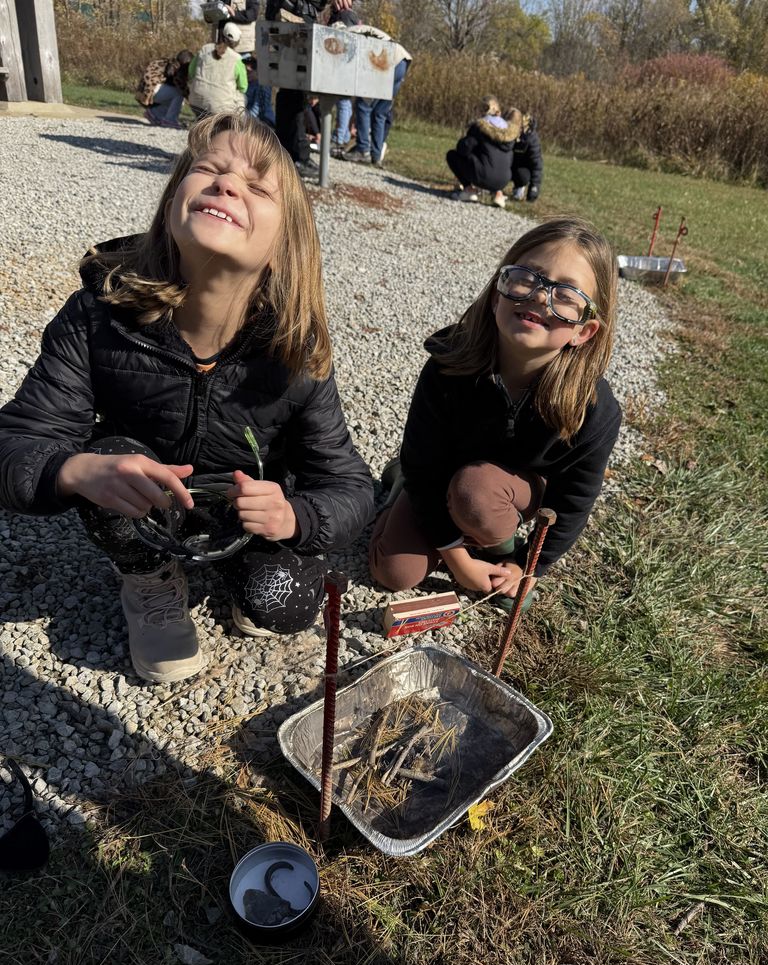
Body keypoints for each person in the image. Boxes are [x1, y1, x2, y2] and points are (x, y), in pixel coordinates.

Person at [0, 111, 374, 686]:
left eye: (256, 187)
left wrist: (292, 515)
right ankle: (148, 575)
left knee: (286, 605)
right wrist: (76, 470)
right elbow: (16, 441)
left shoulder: (295, 352)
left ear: (284, 246)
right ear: (173, 200)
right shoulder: (99, 315)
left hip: (240, 508)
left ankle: (235, 563)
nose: (226, 185)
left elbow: (348, 484)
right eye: (208, 169)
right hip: (142, 500)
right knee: (114, 464)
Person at [369, 217, 622, 609]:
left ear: (583, 332)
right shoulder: (448, 363)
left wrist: (525, 566)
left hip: (507, 492)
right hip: (435, 476)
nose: (541, 297)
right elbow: (425, 465)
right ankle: (399, 483)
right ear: (497, 293)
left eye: (566, 294)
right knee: (394, 573)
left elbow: (573, 501)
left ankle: (492, 542)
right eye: (528, 278)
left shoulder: (595, 410)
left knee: (478, 492)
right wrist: (458, 560)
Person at [265, 0, 353, 180]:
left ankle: (287, 153)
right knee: (295, 89)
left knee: (294, 89)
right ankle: (296, 156)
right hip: (290, 14)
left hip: (297, 16)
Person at [340, 21, 412, 167]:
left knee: (363, 105)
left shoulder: (347, 35)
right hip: (402, 60)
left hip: (389, 59)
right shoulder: (358, 29)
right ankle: (376, 156)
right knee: (380, 112)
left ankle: (362, 150)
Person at [444, 96, 519, 206]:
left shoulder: (480, 127)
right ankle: (498, 194)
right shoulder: (509, 131)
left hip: (482, 175)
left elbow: (463, 149)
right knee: (496, 160)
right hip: (503, 180)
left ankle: (469, 190)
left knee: (452, 155)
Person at [188, 23, 247, 117]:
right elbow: (243, 87)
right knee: (241, 97)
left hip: (196, 102)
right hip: (221, 108)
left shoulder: (204, 49)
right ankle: (238, 127)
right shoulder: (236, 59)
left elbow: (191, 72)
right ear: (236, 42)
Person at [135, 51, 194, 128]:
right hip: (150, 92)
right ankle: (170, 120)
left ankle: (155, 114)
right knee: (179, 94)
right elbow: (183, 90)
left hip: (143, 92)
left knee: (175, 97)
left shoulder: (167, 62)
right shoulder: (178, 69)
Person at [504, 107, 543, 203]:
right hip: (504, 165)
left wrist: (534, 190)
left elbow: (536, 166)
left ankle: (519, 187)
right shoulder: (501, 131)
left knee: (523, 176)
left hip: (520, 168)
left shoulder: (531, 139)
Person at [244, 54, 275, 127]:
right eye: (245, 70)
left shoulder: (262, 85)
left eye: (252, 67)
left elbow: (258, 108)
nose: (248, 70)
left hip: (263, 122)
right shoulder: (247, 84)